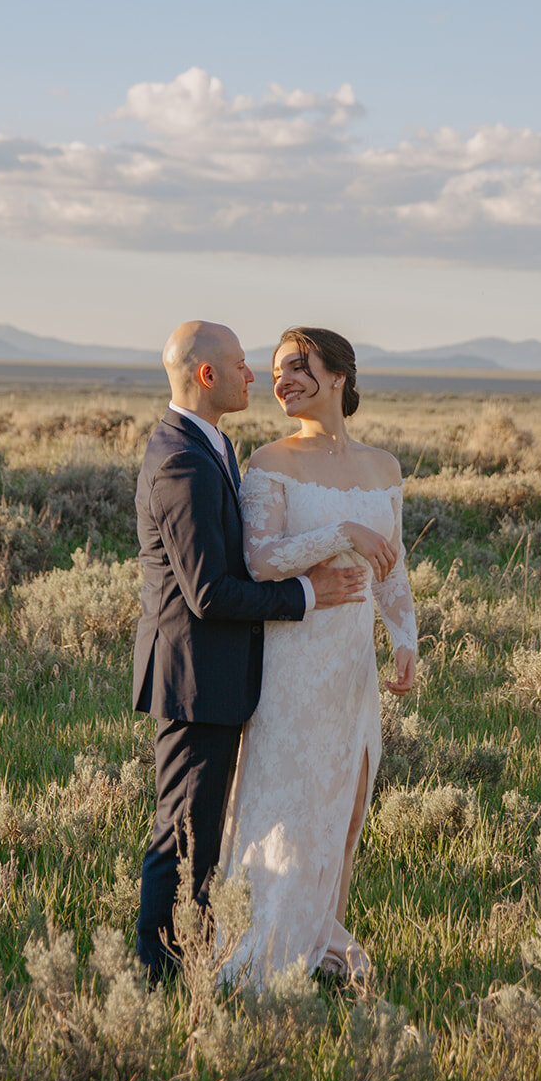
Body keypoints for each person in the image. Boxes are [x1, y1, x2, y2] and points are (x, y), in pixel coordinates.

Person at [133, 320, 366, 982]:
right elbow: (208, 593)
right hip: (195, 675)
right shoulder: (182, 459)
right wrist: (307, 594)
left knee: (202, 834)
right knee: (183, 835)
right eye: (240, 365)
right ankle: (157, 976)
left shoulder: (212, 447)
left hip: (217, 674)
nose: (252, 376)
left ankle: (195, 959)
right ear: (207, 375)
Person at [219, 326, 418, 986]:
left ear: (339, 375)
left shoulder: (383, 467)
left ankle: (320, 945)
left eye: (299, 366)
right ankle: (266, 946)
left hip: (353, 668)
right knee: (293, 802)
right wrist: (339, 533)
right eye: (276, 371)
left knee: (349, 804)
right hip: (292, 659)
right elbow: (259, 559)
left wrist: (405, 639)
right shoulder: (270, 462)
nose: (284, 380)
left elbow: (390, 566)